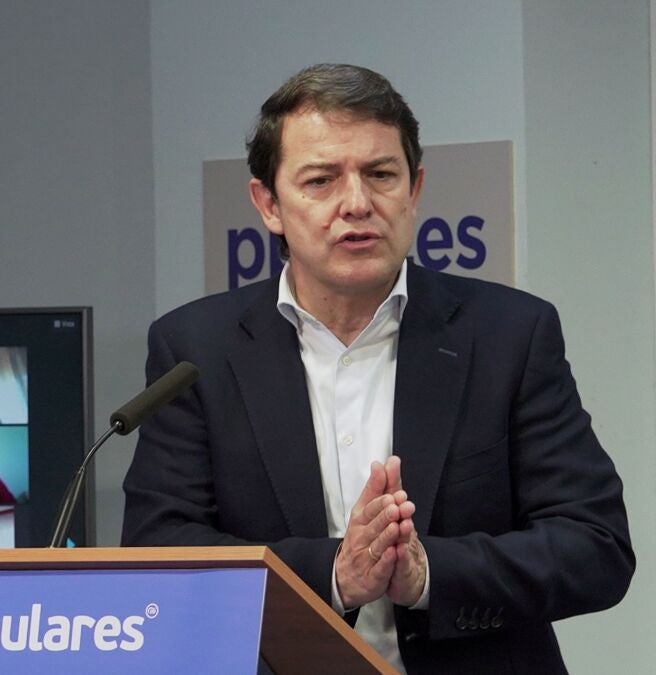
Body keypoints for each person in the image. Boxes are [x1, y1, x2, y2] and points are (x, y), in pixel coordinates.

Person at [120, 63, 634, 673]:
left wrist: (429, 574)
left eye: (381, 175)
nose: (357, 204)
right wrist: (334, 575)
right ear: (269, 204)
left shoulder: (510, 334)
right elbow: (160, 551)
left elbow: (594, 546)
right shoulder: (195, 348)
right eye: (321, 180)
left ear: (414, 190)